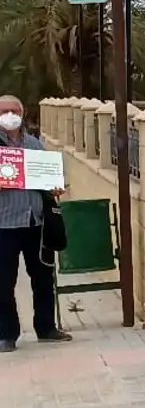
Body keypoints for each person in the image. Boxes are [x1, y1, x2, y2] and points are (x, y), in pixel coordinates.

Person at [0, 95, 69, 353]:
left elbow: (50, 179)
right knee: (3, 282)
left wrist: (56, 188)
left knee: (42, 277)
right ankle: (6, 334)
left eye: (13, 110)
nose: (9, 115)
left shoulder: (34, 145)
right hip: (4, 224)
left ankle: (46, 328)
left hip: (35, 222)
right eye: (4, 111)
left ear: (22, 112)